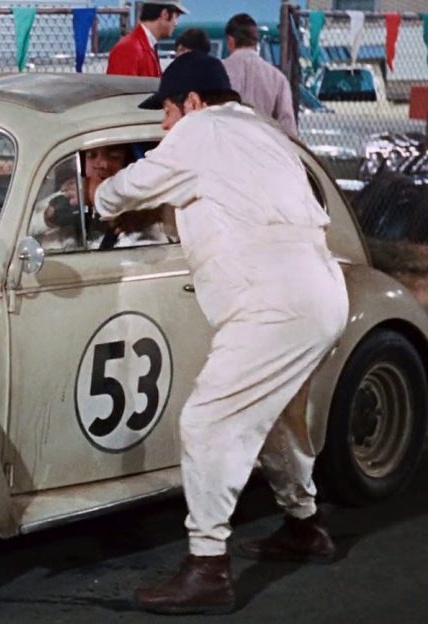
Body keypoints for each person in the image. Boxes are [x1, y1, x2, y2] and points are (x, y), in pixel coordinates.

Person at [91, 51, 348, 615]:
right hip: (320, 291)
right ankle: (305, 527)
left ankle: (208, 568)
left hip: (273, 303)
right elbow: (229, 205)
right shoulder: (260, 131)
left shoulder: (201, 130)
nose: (163, 125)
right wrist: (157, 216)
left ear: (193, 102)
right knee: (279, 414)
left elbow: (126, 187)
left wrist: (97, 194)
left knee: (207, 421)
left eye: (166, 111)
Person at [222, 13, 298, 137]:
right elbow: (288, 128)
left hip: (226, 144)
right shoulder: (277, 78)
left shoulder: (218, 71)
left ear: (230, 41)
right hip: (263, 146)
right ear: (255, 43)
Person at [107, 1, 187, 77]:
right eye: (176, 16)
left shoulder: (147, 44)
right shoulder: (128, 48)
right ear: (165, 14)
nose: (176, 23)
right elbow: (121, 89)